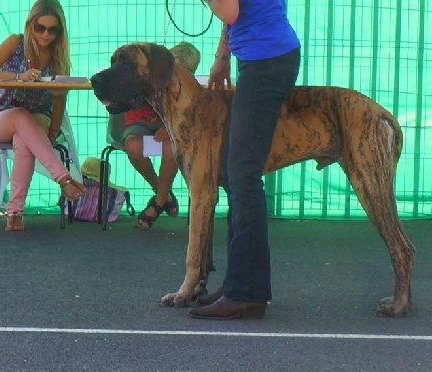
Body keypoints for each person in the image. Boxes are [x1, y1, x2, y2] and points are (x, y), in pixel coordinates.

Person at [187, 0, 300, 320]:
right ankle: (238, 284)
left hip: (266, 61)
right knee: (233, 173)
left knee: (243, 176)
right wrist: (222, 57)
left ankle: (246, 293)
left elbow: (229, 12)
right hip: (264, 57)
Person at [0, 0, 86, 232]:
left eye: (53, 29)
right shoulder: (15, 42)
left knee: (24, 139)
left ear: (60, 31)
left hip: (38, 117)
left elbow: (60, 97)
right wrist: (19, 77)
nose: (46, 34)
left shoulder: (59, 58)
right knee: (20, 116)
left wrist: (52, 131)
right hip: (1, 116)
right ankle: (62, 177)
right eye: (40, 27)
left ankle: (15, 212)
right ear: (30, 25)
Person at [120, 42, 200, 229]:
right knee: (133, 147)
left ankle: (159, 202)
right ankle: (163, 194)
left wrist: (170, 126)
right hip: (139, 121)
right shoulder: (148, 76)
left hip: (169, 127)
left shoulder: (188, 87)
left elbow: (187, 113)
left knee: (172, 148)